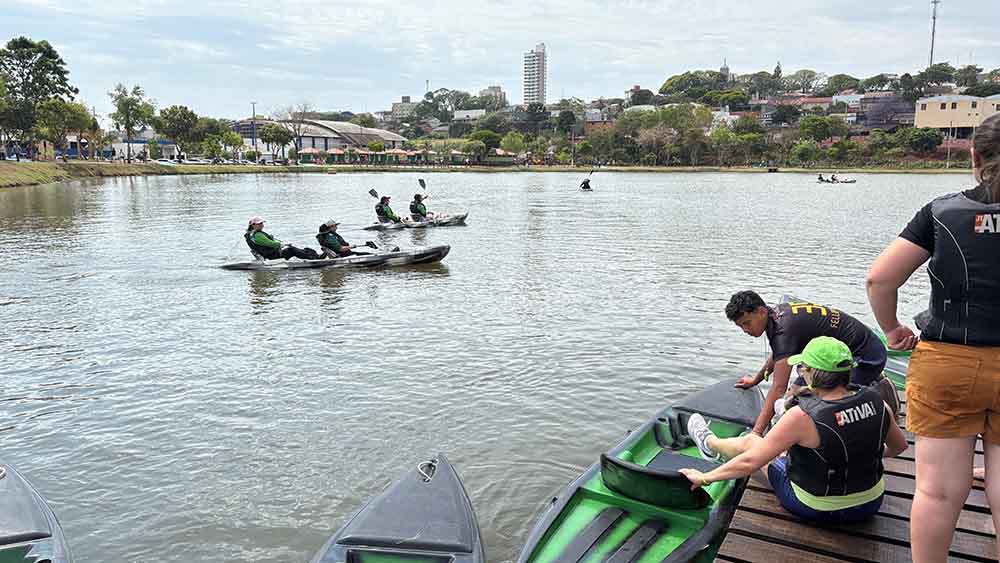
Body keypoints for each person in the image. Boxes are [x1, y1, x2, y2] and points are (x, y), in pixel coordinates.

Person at [865, 113, 1000, 563]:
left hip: (947, 362)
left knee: (938, 492)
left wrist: (892, 329)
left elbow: (880, 280)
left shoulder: (941, 212)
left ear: (974, 155)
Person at [680, 336, 908, 525]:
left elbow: (750, 462)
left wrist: (705, 478)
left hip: (817, 508)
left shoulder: (801, 417)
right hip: (869, 504)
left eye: (802, 367)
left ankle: (709, 444)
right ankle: (716, 445)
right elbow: (899, 447)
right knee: (795, 448)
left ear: (813, 373)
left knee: (751, 443)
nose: (800, 372)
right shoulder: (879, 403)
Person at [726, 290, 898, 438]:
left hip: (866, 358)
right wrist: (756, 380)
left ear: (761, 311)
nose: (746, 330)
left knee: (813, 399)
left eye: (747, 323)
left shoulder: (784, 330)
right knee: (795, 392)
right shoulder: (778, 316)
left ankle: (877, 383)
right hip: (852, 350)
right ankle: (874, 380)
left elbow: (778, 387)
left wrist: (756, 433)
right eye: (741, 326)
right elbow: (780, 355)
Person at [244, 216, 323, 261]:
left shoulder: (251, 234)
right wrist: (282, 244)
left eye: (262, 223)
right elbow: (270, 244)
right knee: (292, 250)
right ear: (253, 225)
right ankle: (315, 258)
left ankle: (314, 255)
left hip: (269, 254)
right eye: (259, 224)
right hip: (272, 255)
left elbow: (267, 243)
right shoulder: (258, 235)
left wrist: (283, 244)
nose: (262, 225)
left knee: (304, 249)